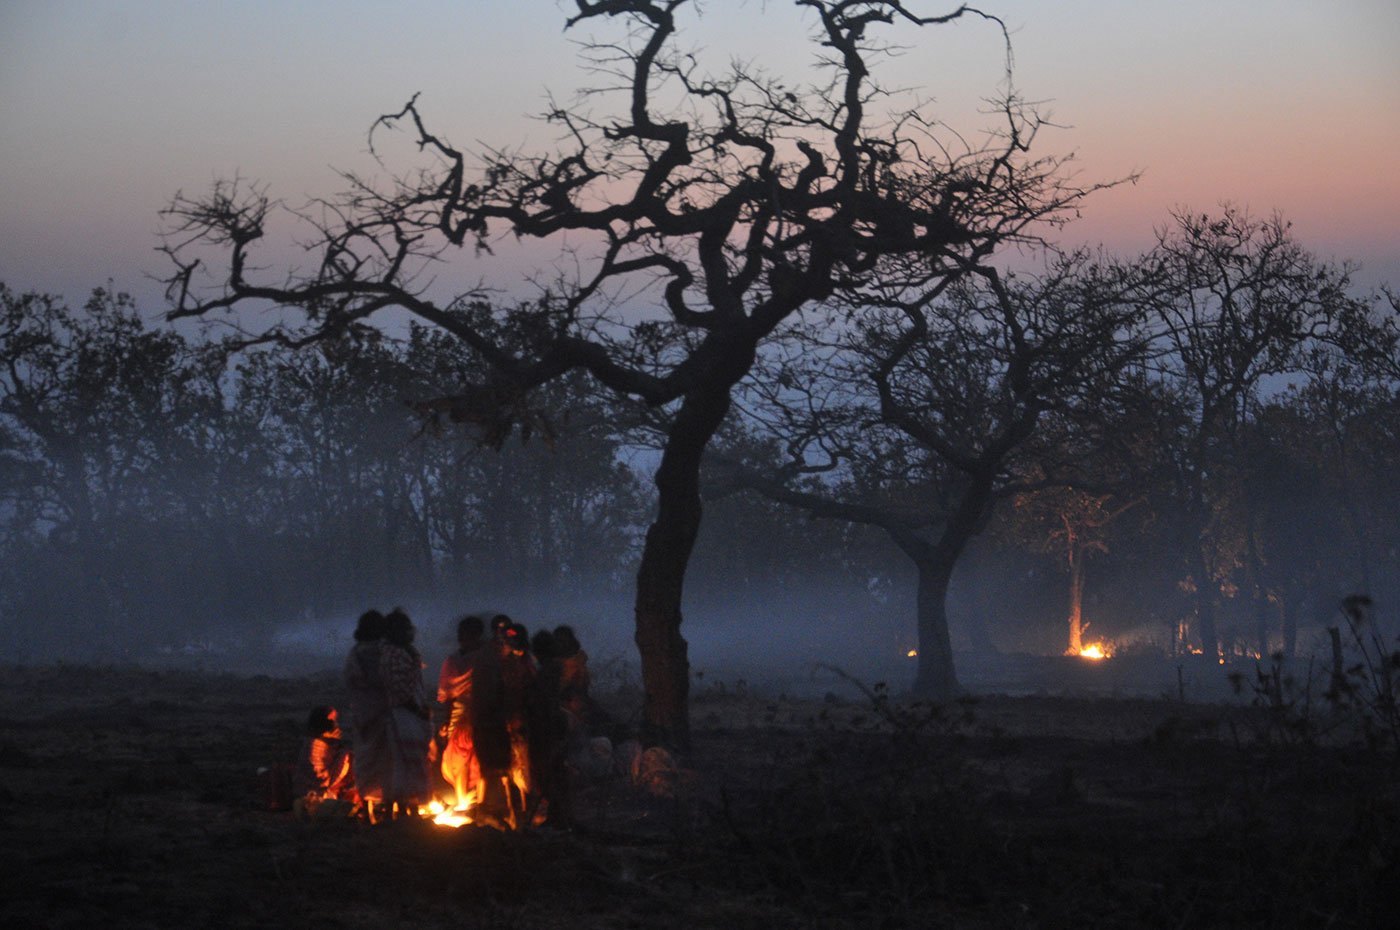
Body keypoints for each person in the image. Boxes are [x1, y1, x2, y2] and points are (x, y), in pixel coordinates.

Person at [380, 607, 433, 818]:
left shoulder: (403, 652)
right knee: (407, 763)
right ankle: (405, 811)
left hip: (408, 716)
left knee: (409, 763)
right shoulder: (395, 655)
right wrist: (419, 712)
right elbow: (400, 690)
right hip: (403, 717)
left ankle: (409, 810)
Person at [437, 615, 488, 812]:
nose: (462, 639)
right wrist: (446, 721)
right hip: (461, 715)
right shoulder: (453, 661)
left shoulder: (486, 657)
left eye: (466, 635)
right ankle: (465, 803)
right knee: (460, 761)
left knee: (480, 760)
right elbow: (448, 695)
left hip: (481, 715)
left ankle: (478, 805)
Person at [343, 609, 390, 823]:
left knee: (366, 762)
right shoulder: (384, 652)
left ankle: (370, 810)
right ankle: (389, 809)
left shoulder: (355, 654)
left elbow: (352, 682)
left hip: (363, 715)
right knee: (387, 762)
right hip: (382, 714)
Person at [295, 705, 354, 809]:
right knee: (350, 756)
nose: (336, 724)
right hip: (317, 791)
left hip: (306, 789)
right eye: (333, 720)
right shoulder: (316, 745)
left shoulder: (322, 743)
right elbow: (321, 779)